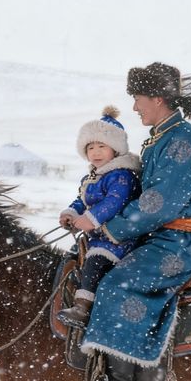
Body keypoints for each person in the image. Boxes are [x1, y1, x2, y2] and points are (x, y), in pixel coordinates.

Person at [77, 62, 191, 381]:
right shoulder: (162, 137)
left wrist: (108, 228)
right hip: (160, 236)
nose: (133, 107)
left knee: (118, 284)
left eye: (137, 99)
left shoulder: (181, 143)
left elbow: (156, 204)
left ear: (157, 98)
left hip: (178, 242)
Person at [58, 106, 141, 328]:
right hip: (96, 236)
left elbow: (114, 202)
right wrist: (71, 213)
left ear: (115, 149)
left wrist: (91, 219)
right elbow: (81, 200)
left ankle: (82, 308)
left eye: (101, 146)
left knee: (95, 262)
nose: (95, 152)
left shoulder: (121, 175)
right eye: (90, 147)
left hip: (116, 237)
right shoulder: (92, 177)